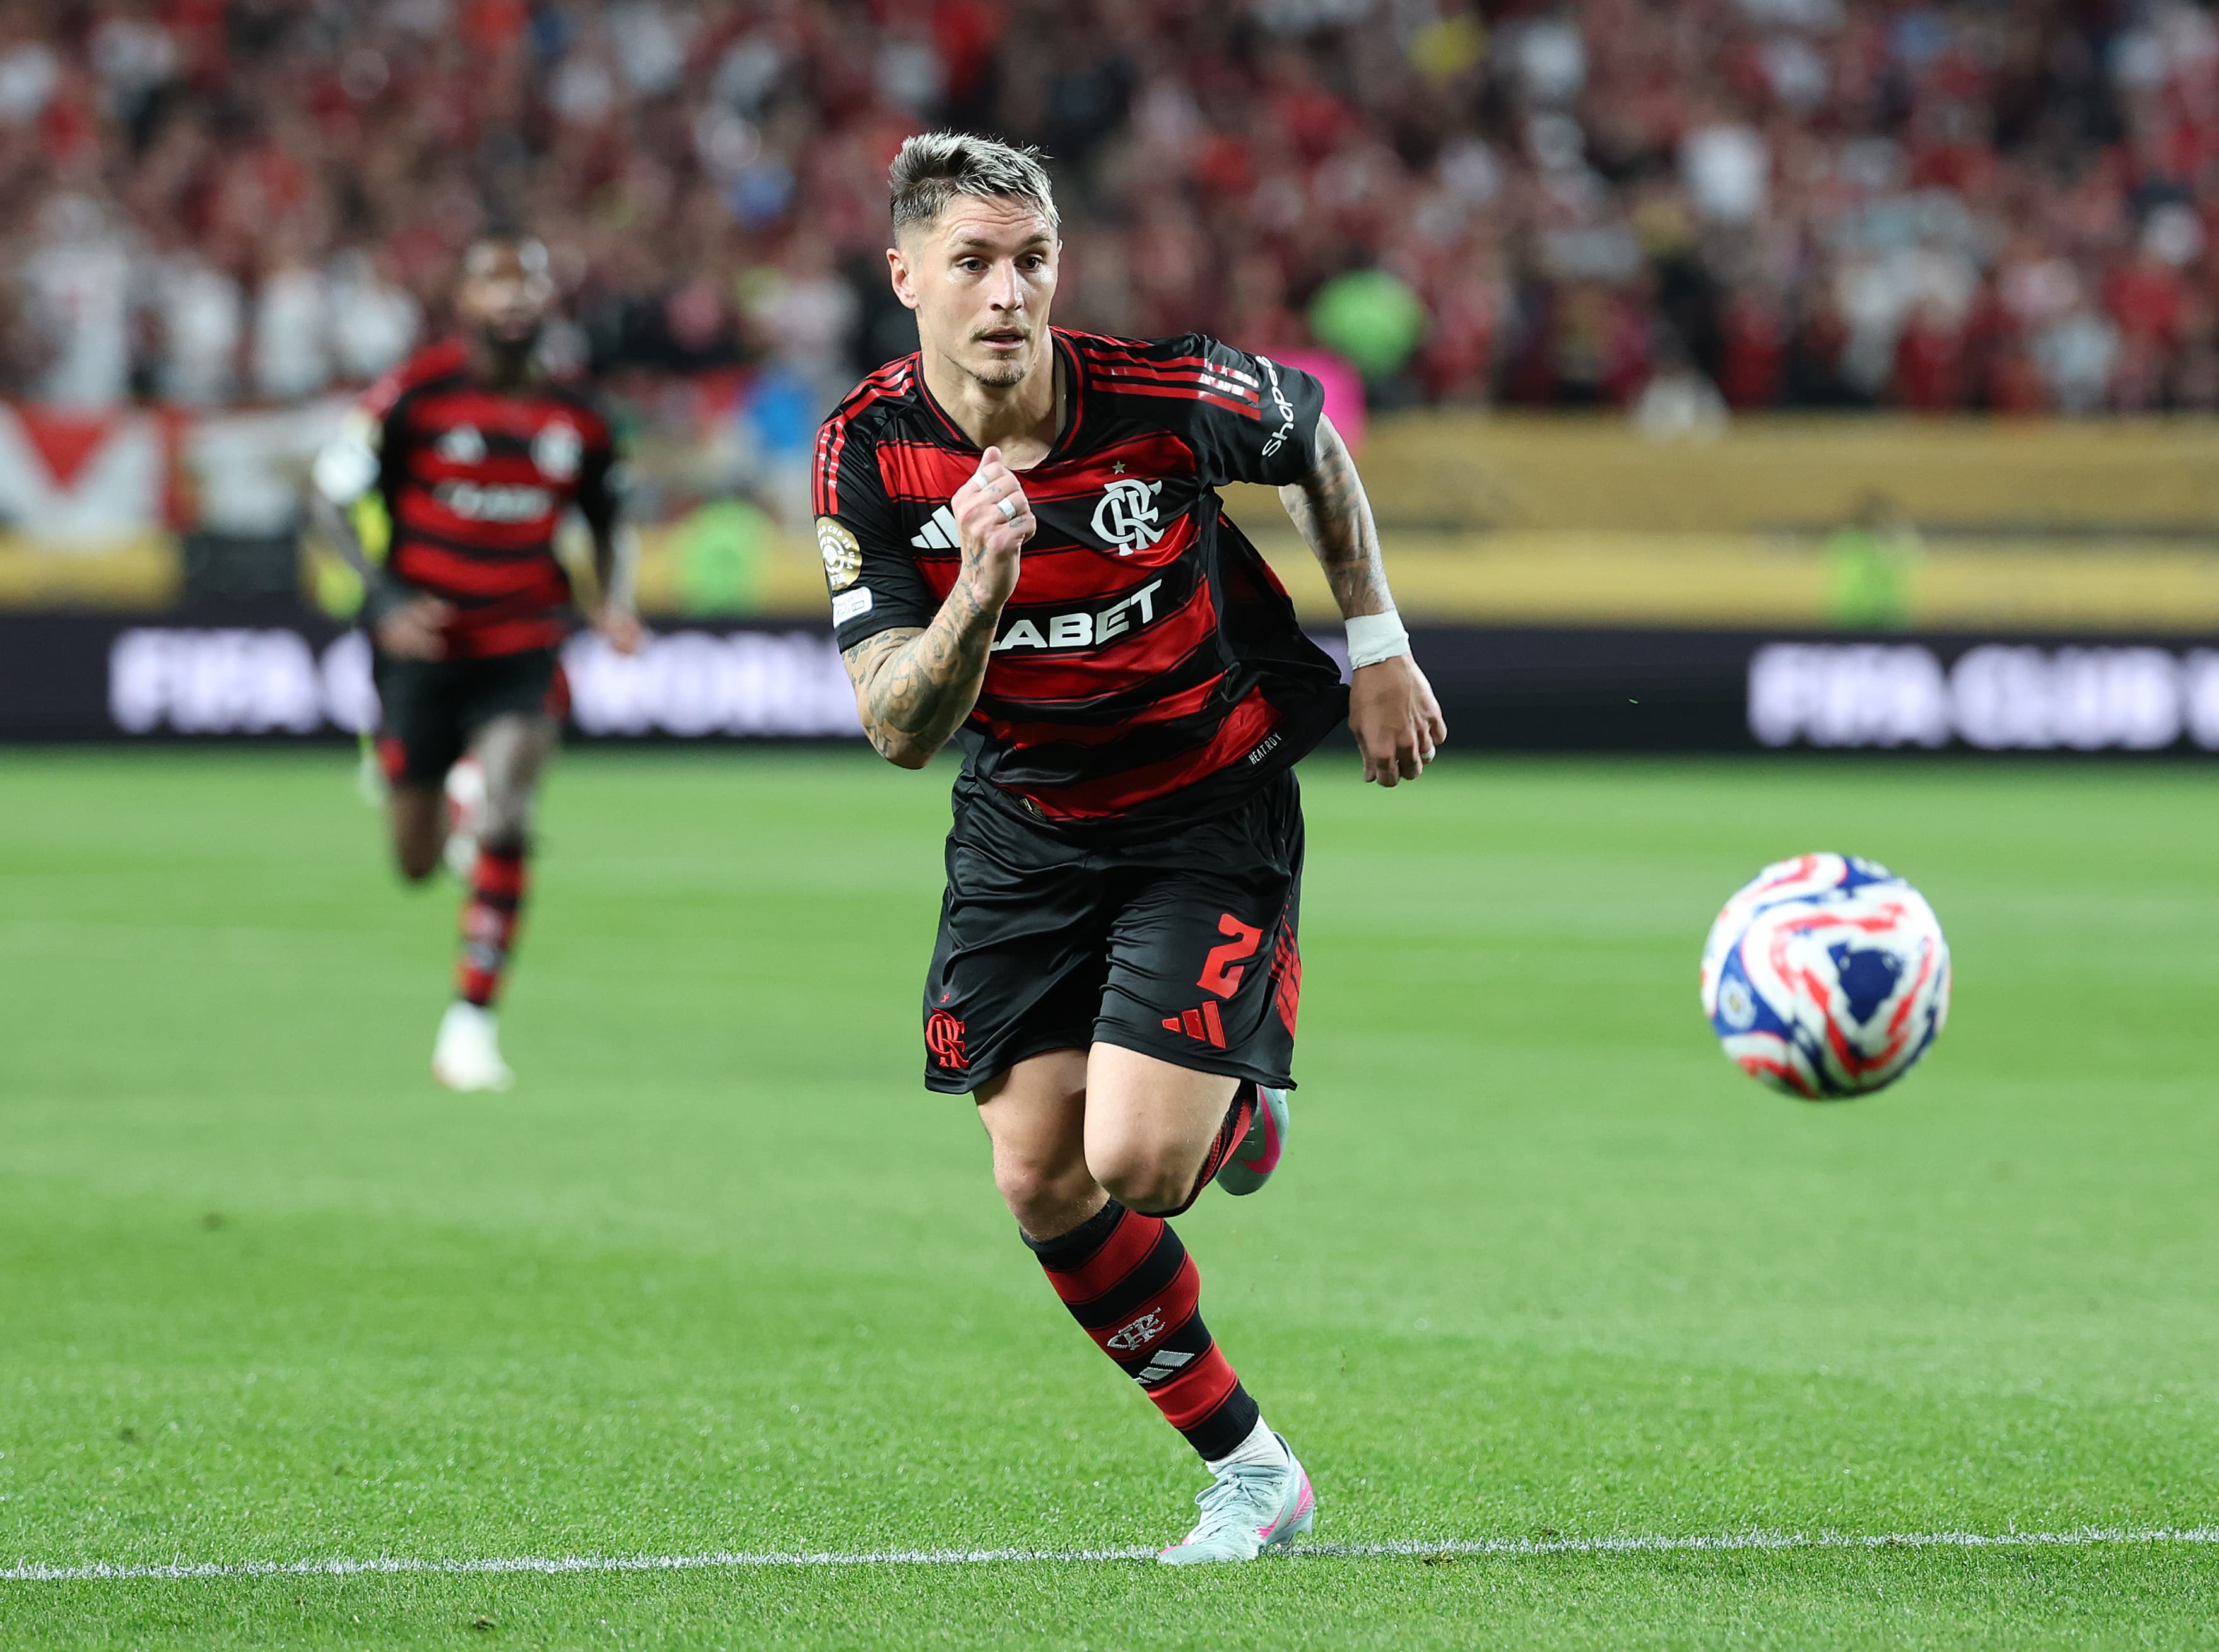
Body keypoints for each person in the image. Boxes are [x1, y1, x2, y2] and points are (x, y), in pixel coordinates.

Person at [816, 134, 1445, 1564]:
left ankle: (1228, 1085)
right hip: (1027, 824)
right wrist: (979, 587)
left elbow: (1313, 445)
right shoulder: (867, 450)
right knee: (1040, 1177)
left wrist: (1379, 644)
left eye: (1030, 260)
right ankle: (1254, 1473)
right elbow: (898, 727)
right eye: (972, 262)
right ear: (905, 275)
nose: (1005, 293)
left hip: (1203, 804)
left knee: (1142, 1164)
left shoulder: (1163, 393)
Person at [310, 235, 642, 1092]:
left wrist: (612, 604)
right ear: (463, 300)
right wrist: (383, 602)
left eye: (527, 281)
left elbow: (609, 519)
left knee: (508, 813)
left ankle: (470, 1027)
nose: (513, 296)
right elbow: (329, 498)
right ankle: (438, 787)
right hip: (421, 650)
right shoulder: (414, 395)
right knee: (415, 865)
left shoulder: (580, 414)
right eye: (494, 281)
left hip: (523, 642)